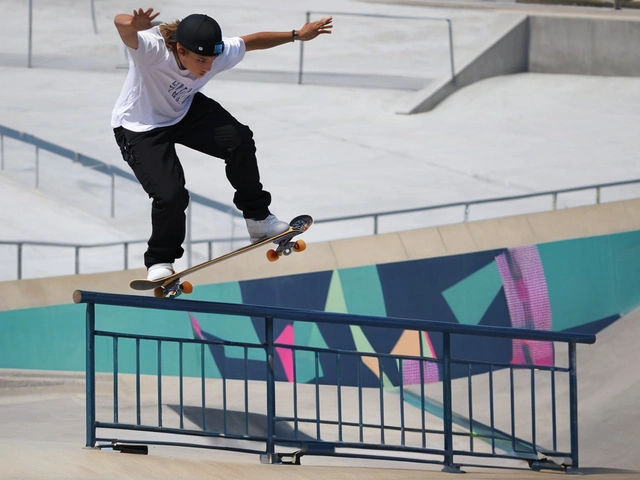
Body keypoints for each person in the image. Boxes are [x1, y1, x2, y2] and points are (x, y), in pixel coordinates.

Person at [111, 8, 333, 280]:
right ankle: (160, 260)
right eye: (201, 60)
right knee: (171, 196)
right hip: (139, 126)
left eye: (212, 60)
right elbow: (121, 26)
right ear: (180, 50)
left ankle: (259, 220)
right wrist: (133, 23)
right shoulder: (152, 50)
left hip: (183, 110)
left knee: (239, 139)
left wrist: (297, 35)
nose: (206, 68)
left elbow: (251, 41)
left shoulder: (218, 55)